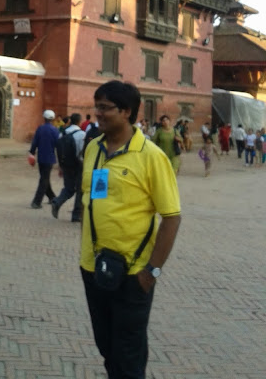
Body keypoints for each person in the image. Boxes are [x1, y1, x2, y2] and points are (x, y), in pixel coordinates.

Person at [80, 81, 181, 379]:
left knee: (128, 353)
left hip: (133, 274)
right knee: (106, 346)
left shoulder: (151, 156)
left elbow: (172, 217)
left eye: (104, 108)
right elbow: (92, 199)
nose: (97, 114)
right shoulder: (94, 150)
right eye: (96, 106)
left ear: (126, 112)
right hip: (93, 266)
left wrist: (152, 272)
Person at [52, 113, 85, 222]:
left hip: (65, 164)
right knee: (80, 190)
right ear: (80, 121)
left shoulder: (63, 133)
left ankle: (57, 201)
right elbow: (82, 152)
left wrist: (60, 166)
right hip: (78, 165)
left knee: (69, 188)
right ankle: (76, 215)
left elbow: (59, 149)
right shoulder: (82, 134)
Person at [29, 110, 59, 209]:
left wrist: (32, 153)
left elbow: (35, 142)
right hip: (49, 158)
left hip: (41, 158)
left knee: (44, 178)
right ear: (53, 118)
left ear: (44, 118)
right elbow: (58, 144)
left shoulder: (40, 129)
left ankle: (52, 197)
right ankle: (37, 202)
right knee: (44, 179)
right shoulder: (54, 130)